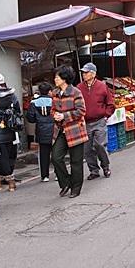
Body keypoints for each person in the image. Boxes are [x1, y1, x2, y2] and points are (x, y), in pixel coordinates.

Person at [51, 65, 89, 198]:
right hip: (60, 130)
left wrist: (65, 116)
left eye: (57, 77)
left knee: (76, 161)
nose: (55, 79)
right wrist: (55, 115)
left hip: (75, 131)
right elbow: (53, 109)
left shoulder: (75, 92)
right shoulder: (55, 93)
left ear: (64, 78)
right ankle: (66, 182)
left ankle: (76, 188)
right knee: (55, 157)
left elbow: (81, 111)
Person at [77, 62, 115, 181]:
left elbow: (111, 104)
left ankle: (105, 166)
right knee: (87, 149)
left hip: (99, 121)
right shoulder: (79, 88)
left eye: (86, 72)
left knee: (99, 145)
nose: (84, 74)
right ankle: (93, 170)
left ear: (93, 74)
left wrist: (106, 116)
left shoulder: (102, 86)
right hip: (85, 122)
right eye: (83, 72)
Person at [0, 71, 21, 192]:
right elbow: (18, 109)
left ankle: (9, 180)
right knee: (10, 153)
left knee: (1, 156)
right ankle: (2, 180)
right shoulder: (11, 94)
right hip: (11, 128)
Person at [26, 81, 55, 183]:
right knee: (56, 153)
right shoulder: (54, 101)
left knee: (43, 153)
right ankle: (57, 173)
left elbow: (30, 118)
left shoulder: (34, 102)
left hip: (41, 130)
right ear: (49, 91)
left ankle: (45, 176)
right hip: (54, 130)